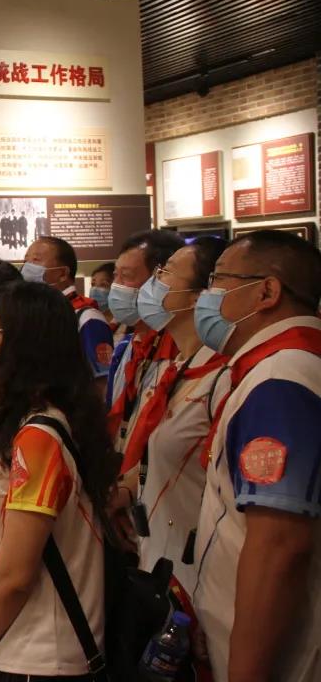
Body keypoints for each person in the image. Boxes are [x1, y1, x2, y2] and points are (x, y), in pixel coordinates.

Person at [0, 281, 117, 682]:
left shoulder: (39, 437)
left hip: (39, 654)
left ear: (14, 341)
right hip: (23, 643)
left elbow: (17, 576)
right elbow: (13, 541)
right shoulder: (31, 423)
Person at [191, 230, 321, 682]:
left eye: (218, 280)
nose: (207, 297)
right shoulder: (275, 368)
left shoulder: (281, 378)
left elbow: (279, 545)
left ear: (266, 292)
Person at [111, 237, 228, 625]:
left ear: (199, 296)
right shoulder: (173, 367)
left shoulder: (222, 377)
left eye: (165, 273)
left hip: (202, 570)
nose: (153, 284)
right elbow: (153, 452)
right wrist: (123, 491)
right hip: (159, 555)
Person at [105, 230, 185, 452]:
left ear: (159, 282)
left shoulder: (180, 349)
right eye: (115, 275)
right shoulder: (126, 348)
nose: (116, 286)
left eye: (126, 276)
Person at [22, 236, 115, 399]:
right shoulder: (39, 315)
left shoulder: (87, 318)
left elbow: (102, 383)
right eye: (26, 260)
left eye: (35, 260)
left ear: (62, 273)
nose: (26, 267)